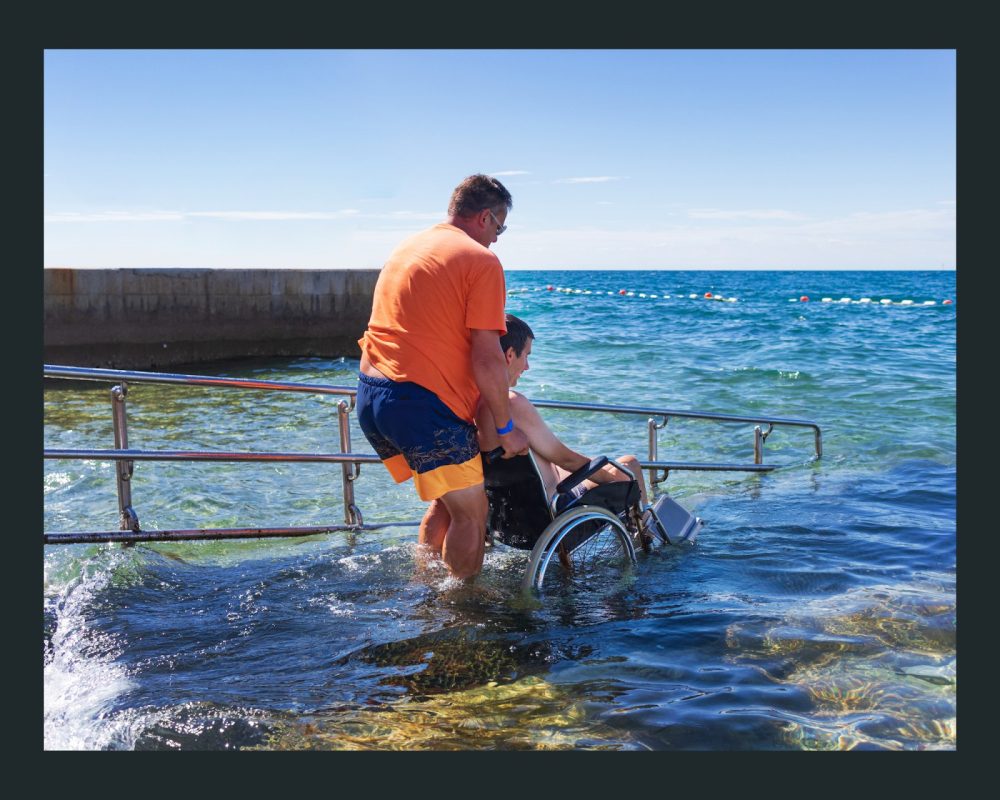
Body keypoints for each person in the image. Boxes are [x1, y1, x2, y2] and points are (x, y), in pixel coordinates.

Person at [356, 174, 530, 581]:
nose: (498, 238)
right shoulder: (480, 260)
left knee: (446, 501)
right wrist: (506, 428)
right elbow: (489, 358)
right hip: (421, 404)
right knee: (473, 513)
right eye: (500, 227)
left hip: (372, 394)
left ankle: (426, 585)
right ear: (486, 217)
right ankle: (460, 613)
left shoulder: (410, 247)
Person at [475, 314, 650, 510]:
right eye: (526, 356)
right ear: (509, 355)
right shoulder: (513, 404)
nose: (527, 366)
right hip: (554, 507)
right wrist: (611, 478)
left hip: (513, 511)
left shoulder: (474, 405)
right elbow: (567, 460)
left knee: (591, 464)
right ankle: (647, 534)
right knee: (629, 465)